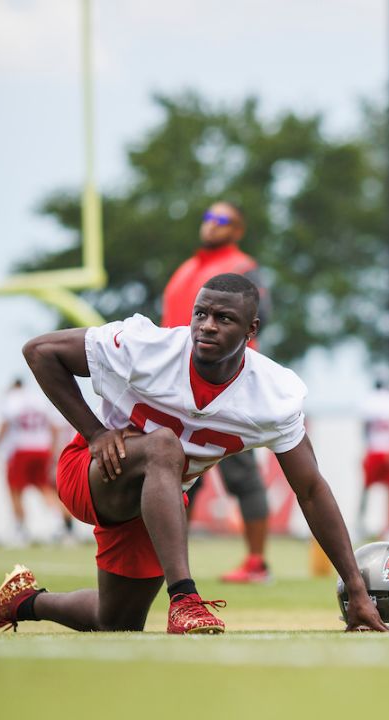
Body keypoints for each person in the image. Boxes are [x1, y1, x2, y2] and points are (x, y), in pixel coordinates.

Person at [0, 274, 387, 634]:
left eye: (224, 318)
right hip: (91, 471)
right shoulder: (149, 347)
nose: (207, 326)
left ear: (251, 330)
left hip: (155, 502)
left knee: (117, 622)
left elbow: (310, 489)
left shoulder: (272, 395)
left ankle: (24, 602)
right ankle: (184, 598)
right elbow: (40, 351)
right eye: (201, 313)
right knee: (164, 445)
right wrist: (93, 433)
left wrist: (355, 586)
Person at [162, 200, 273, 584]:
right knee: (178, 472)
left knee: (242, 473)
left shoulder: (244, 266)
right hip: (181, 385)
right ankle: (174, 562)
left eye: (222, 219)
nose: (211, 224)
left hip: (229, 384)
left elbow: (263, 318)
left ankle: (257, 564)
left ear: (238, 229)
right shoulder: (185, 270)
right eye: (207, 217)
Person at [0, 378, 74, 545]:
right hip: (42, 449)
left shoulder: (12, 400)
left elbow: (4, 425)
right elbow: (55, 426)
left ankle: (19, 530)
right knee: (45, 488)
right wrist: (52, 449)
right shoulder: (39, 400)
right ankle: (59, 525)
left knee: (15, 491)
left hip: (21, 449)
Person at [356, 378, 389, 542]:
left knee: (366, 490)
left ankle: (360, 524)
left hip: (374, 449)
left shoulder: (368, 401)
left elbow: (364, 428)